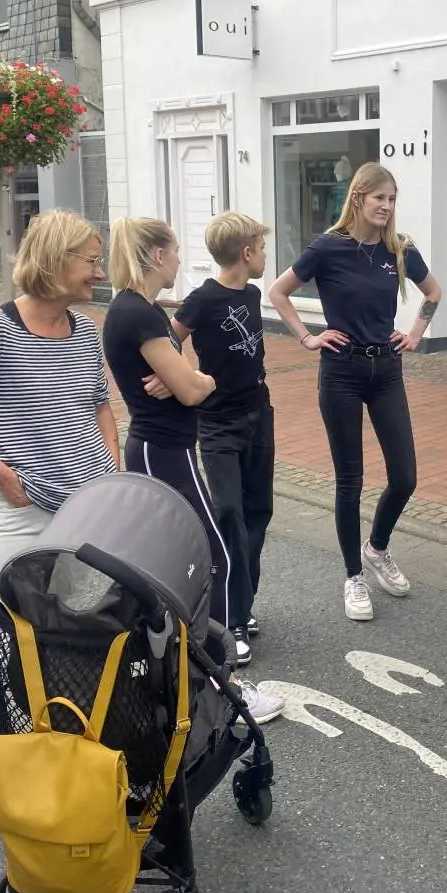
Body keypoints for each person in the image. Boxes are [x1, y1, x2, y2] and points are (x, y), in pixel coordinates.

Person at [0, 209, 120, 874]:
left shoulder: (85, 331)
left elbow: (97, 402)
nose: (100, 271)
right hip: (19, 519)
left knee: (77, 650)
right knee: (1, 654)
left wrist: (111, 474)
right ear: (55, 260)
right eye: (90, 259)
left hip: (88, 515)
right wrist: (2, 475)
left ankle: (64, 785)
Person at [102, 216, 283, 724]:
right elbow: (193, 390)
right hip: (166, 448)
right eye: (175, 249)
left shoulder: (137, 310)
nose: (181, 257)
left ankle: (168, 667)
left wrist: (183, 373)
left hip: (161, 445)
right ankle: (228, 685)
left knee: (166, 562)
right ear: (157, 255)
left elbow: (183, 379)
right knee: (218, 556)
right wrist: (192, 376)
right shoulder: (139, 314)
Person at [268, 162, 443, 622]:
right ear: (358, 198)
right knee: (350, 481)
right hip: (341, 372)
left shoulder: (400, 250)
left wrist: (416, 333)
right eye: (379, 198)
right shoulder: (329, 247)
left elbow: (434, 292)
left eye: (392, 199)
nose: (386, 207)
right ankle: (353, 577)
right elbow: (278, 291)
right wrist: (307, 337)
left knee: (404, 475)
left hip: (386, 370)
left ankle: (377, 548)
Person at [171, 212, 275, 666]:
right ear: (246, 253)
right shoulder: (201, 300)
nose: (265, 256)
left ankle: (243, 603)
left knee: (257, 512)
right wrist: (176, 377)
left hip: (259, 415)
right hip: (217, 424)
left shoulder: (251, 294)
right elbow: (169, 339)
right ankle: (229, 618)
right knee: (228, 514)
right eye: (262, 248)